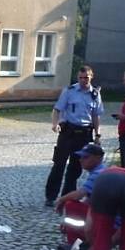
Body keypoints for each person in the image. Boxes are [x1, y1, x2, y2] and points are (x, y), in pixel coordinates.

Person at [44, 66, 104, 207]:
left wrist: (98, 134)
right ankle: (50, 196)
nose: (83, 80)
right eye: (81, 78)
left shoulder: (95, 94)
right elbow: (57, 109)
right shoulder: (69, 91)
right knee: (59, 165)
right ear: (78, 78)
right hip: (68, 132)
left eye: (86, 78)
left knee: (76, 168)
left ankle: (67, 197)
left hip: (84, 134)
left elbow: (96, 116)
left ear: (91, 77)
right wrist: (55, 124)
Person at [54, 143, 107, 244]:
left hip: (107, 217)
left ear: (98, 158)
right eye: (81, 157)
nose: (81, 159)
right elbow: (88, 199)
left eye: (86, 157)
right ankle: (76, 235)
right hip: (104, 213)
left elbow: (79, 195)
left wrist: (61, 200)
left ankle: (75, 242)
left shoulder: (98, 174)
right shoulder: (99, 171)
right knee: (74, 209)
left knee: (71, 205)